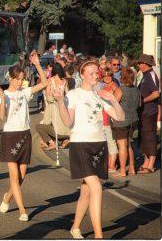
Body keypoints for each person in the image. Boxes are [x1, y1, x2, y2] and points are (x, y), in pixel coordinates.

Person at [52, 61, 125, 239]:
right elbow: (68, 122)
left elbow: (120, 117)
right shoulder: (73, 94)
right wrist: (61, 101)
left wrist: (113, 99)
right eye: (91, 73)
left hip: (99, 144)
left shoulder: (100, 95)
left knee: (86, 190)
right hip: (80, 144)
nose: (95, 76)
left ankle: (75, 227)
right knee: (96, 187)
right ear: (82, 75)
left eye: (96, 73)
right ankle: (99, 236)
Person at [0, 50, 48, 222]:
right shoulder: (5, 95)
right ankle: (22, 210)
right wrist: (2, 99)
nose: (20, 82)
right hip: (10, 136)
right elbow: (2, 116)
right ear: (10, 78)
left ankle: (7, 197)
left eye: (22, 79)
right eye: (17, 78)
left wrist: (38, 65)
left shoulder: (25, 92)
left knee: (21, 177)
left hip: (24, 135)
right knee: (13, 176)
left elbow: (44, 83)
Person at [111, 68, 140, 177]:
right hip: (133, 119)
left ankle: (122, 170)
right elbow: (139, 104)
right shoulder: (137, 90)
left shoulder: (120, 90)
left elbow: (114, 104)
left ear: (122, 77)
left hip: (121, 120)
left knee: (122, 145)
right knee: (128, 145)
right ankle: (131, 168)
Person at [37, 63, 70, 150]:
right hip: (63, 105)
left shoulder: (50, 80)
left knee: (45, 123)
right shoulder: (65, 81)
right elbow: (68, 94)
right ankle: (65, 139)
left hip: (53, 105)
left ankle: (51, 142)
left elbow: (48, 97)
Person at [136, 54, 160, 174]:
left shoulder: (150, 74)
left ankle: (151, 165)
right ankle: (146, 162)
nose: (138, 65)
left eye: (139, 63)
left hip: (149, 111)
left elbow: (156, 94)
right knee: (144, 138)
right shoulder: (145, 75)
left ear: (144, 64)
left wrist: (143, 101)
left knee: (150, 138)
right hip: (144, 111)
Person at [100, 68, 122, 173]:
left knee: (111, 141)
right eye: (105, 75)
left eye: (109, 75)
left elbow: (119, 93)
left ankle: (112, 165)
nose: (107, 77)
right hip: (103, 116)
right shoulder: (105, 86)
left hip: (109, 117)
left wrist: (113, 106)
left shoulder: (113, 85)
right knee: (108, 142)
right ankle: (109, 163)